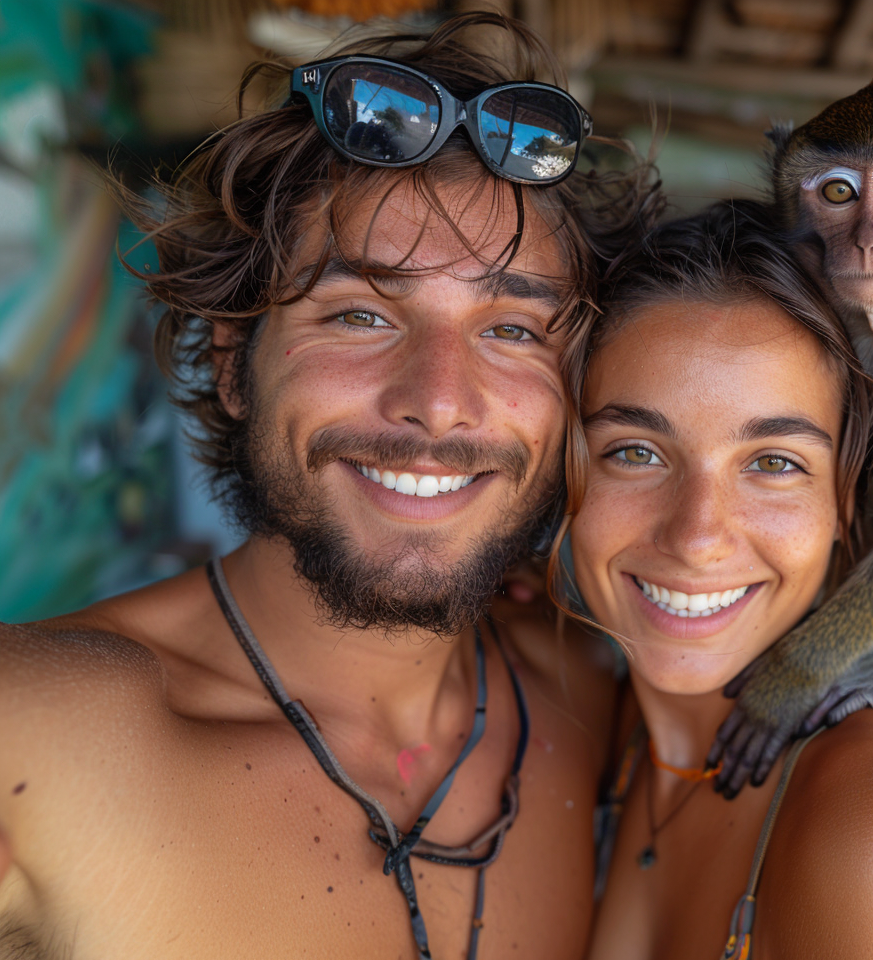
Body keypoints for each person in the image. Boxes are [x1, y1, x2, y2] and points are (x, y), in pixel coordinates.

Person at [0, 13, 659, 959]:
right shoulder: (40, 739)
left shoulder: (593, 705)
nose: (438, 403)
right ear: (234, 362)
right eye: (357, 315)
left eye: (513, 329)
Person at [553, 201, 873, 959]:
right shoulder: (599, 730)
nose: (697, 537)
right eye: (635, 452)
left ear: (845, 501)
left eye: (774, 464)